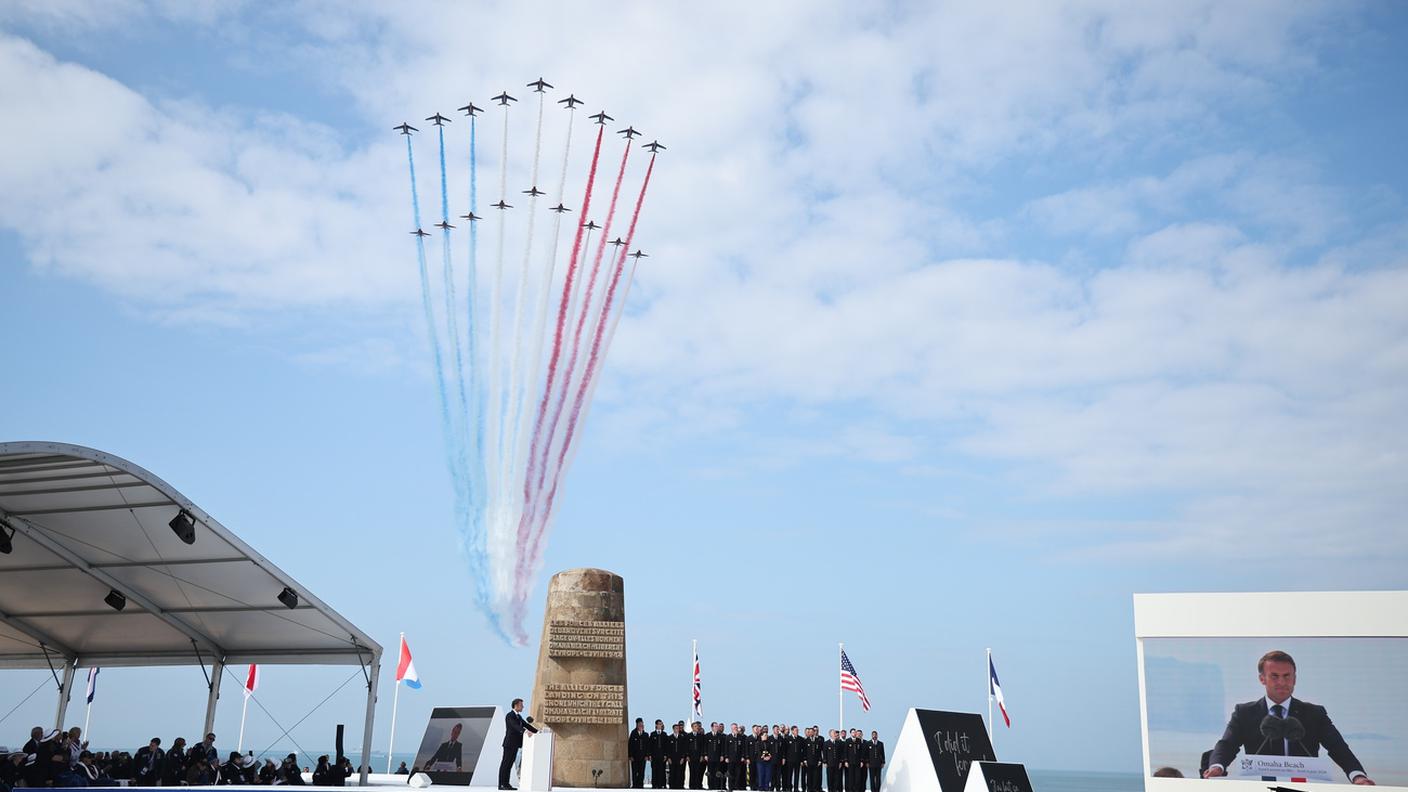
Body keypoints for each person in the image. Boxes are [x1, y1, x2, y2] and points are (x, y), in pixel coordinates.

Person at [1203, 650, 1373, 785]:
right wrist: (1217, 767)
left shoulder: (1314, 714)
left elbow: (1338, 747)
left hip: (1303, 786)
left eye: (1287, 676)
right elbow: (1227, 745)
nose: (1282, 682)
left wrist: (1357, 775)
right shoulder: (1245, 713)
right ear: (1262, 679)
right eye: (1274, 676)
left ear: (1295, 678)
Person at [499, 698, 538, 790]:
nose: (523, 707)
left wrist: (537, 732)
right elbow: (514, 726)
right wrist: (525, 731)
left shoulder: (519, 717)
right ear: (516, 705)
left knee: (510, 764)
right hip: (509, 744)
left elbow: (526, 725)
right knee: (505, 764)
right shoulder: (510, 715)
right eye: (521, 705)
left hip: (515, 744)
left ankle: (506, 784)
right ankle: (501, 784)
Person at [649, 719, 670, 790]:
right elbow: (650, 746)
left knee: (662, 770)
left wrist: (666, 755)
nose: (660, 725)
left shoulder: (664, 734)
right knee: (654, 770)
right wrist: (650, 755)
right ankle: (654, 784)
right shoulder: (652, 734)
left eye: (661, 724)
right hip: (654, 756)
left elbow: (667, 746)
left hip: (662, 756)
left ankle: (662, 784)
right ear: (656, 725)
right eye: (659, 724)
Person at [629, 718, 649, 788]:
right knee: (635, 771)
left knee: (641, 771)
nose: (641, 726)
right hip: (634, 757)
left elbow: (647, 746)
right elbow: (630, 745)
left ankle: (640, 784)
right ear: (637, 725)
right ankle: (635, 784)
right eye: (640, 724)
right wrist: (630, 755)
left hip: (643, 757)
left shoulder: (646, 735)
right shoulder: (633, 733)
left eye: (642, 724)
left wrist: (647, 755)